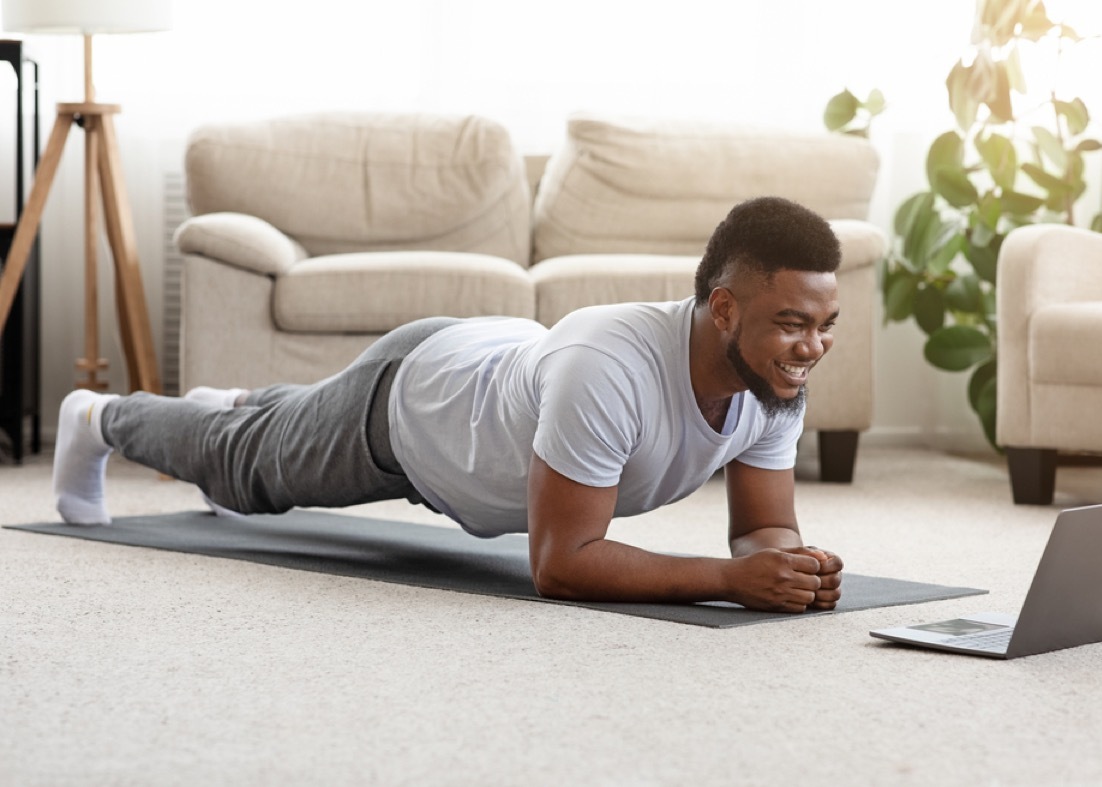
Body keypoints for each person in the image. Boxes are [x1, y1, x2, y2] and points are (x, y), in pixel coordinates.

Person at [53, 196, 845, 613]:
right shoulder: (610, 365)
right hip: (412, 409)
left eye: (824, 326)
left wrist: (788, 564)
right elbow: (561, 564)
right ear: (723, 310)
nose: (810, 346)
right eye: (792, 322)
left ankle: (242, 404)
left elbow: (760, 527)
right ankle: (98, 417)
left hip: (488, 372)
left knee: (266, 428)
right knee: (242, 473)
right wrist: (730, 580)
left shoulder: (771, 379)